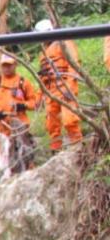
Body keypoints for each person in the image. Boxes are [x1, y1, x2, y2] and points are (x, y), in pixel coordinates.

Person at [0, 53, 40, 179]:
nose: (7, 68)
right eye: (4, 65)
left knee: (23, 149)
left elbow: (34, 102)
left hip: (18, 123)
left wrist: (23, 105)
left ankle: (28, 173)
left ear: (15, 65)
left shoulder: (23, 82)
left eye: (9, 65)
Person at [34, 19, 83, 150]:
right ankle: (56, 150)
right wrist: (39, 97)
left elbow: (74, 64)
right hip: (51, 91)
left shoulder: (64, 42)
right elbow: (43, 77)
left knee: (69, 119)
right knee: (51, 125)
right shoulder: (43, 54)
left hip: (65, 86)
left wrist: (69, 87)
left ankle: (77, 147)